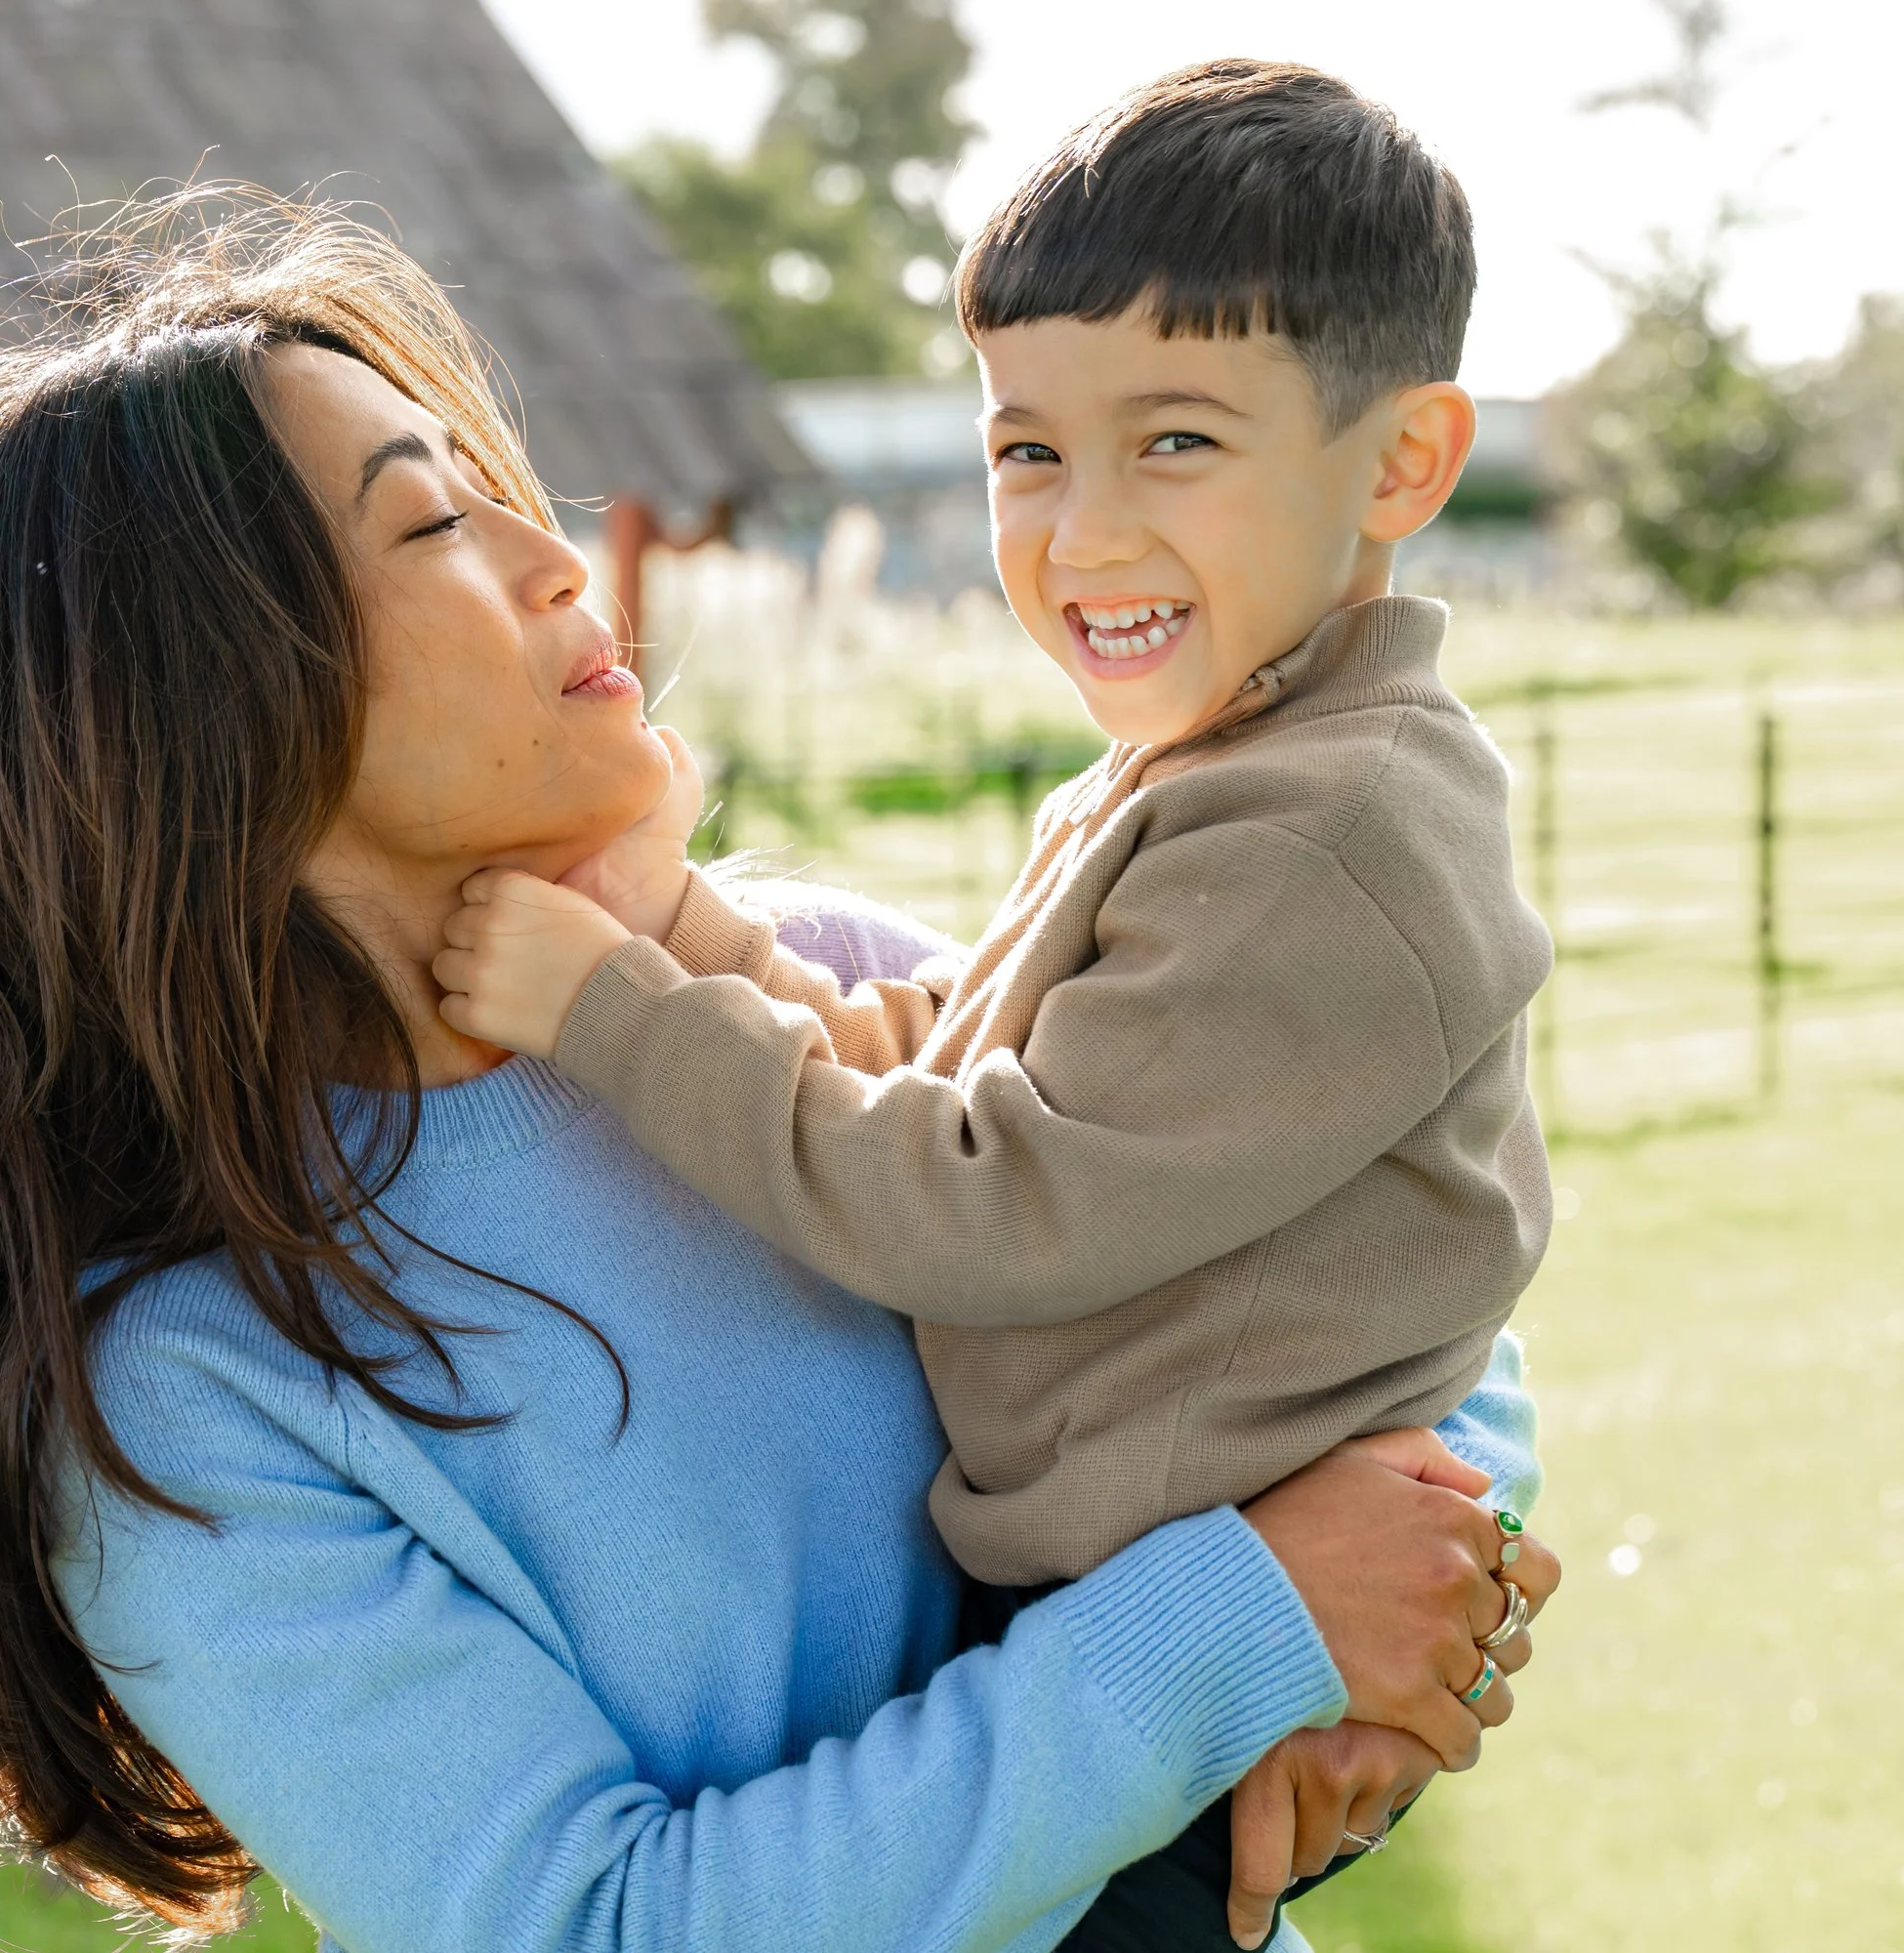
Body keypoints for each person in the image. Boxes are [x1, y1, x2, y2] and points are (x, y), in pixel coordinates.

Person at [0, 192, 1555, 1953]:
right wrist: (1235, 1622)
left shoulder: (823, 988)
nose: (555, 560)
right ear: (206, 715)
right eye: (427, 525)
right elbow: (591, 1927)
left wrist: (1392, 1615)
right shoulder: (177, 1384)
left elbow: (1353, 1268)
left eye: (494, 487)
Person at [433, 61, 1552, 1951]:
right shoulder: (1208, 772)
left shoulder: (1319, 835)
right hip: (1143, 1624)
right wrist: (693, 927)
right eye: (1026, 450)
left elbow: (967, 1201)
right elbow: (947, 1064)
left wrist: (608, 1006)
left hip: (1199, 1690)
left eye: (1173, 442)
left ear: (1400, 465)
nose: (1079, 532)